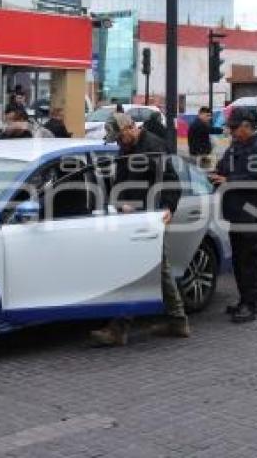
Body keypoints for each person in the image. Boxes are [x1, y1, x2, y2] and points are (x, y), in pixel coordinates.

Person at [89, 112, 188, 347]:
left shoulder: (153, 147)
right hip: (134, 217)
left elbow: (171, 181)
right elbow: (122, 181)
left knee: (136, 269)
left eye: (119, 138)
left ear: (130, 128)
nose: (118, 143)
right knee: (159, 270)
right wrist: (118, 204)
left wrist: (168, 208)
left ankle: (120, 328)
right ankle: (178, 321)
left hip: (149, 217)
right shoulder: (127, 148)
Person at [209, 107, 257, 324]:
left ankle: (251, 306)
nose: (232, 132)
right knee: (238, 261)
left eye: (234, 128)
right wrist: (214, 175)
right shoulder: (235, 148)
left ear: (247, 126)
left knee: (250, 262)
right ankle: (243, 300)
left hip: (253, 217)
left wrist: (228, 181)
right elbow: (222, 168)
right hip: (236, 215)